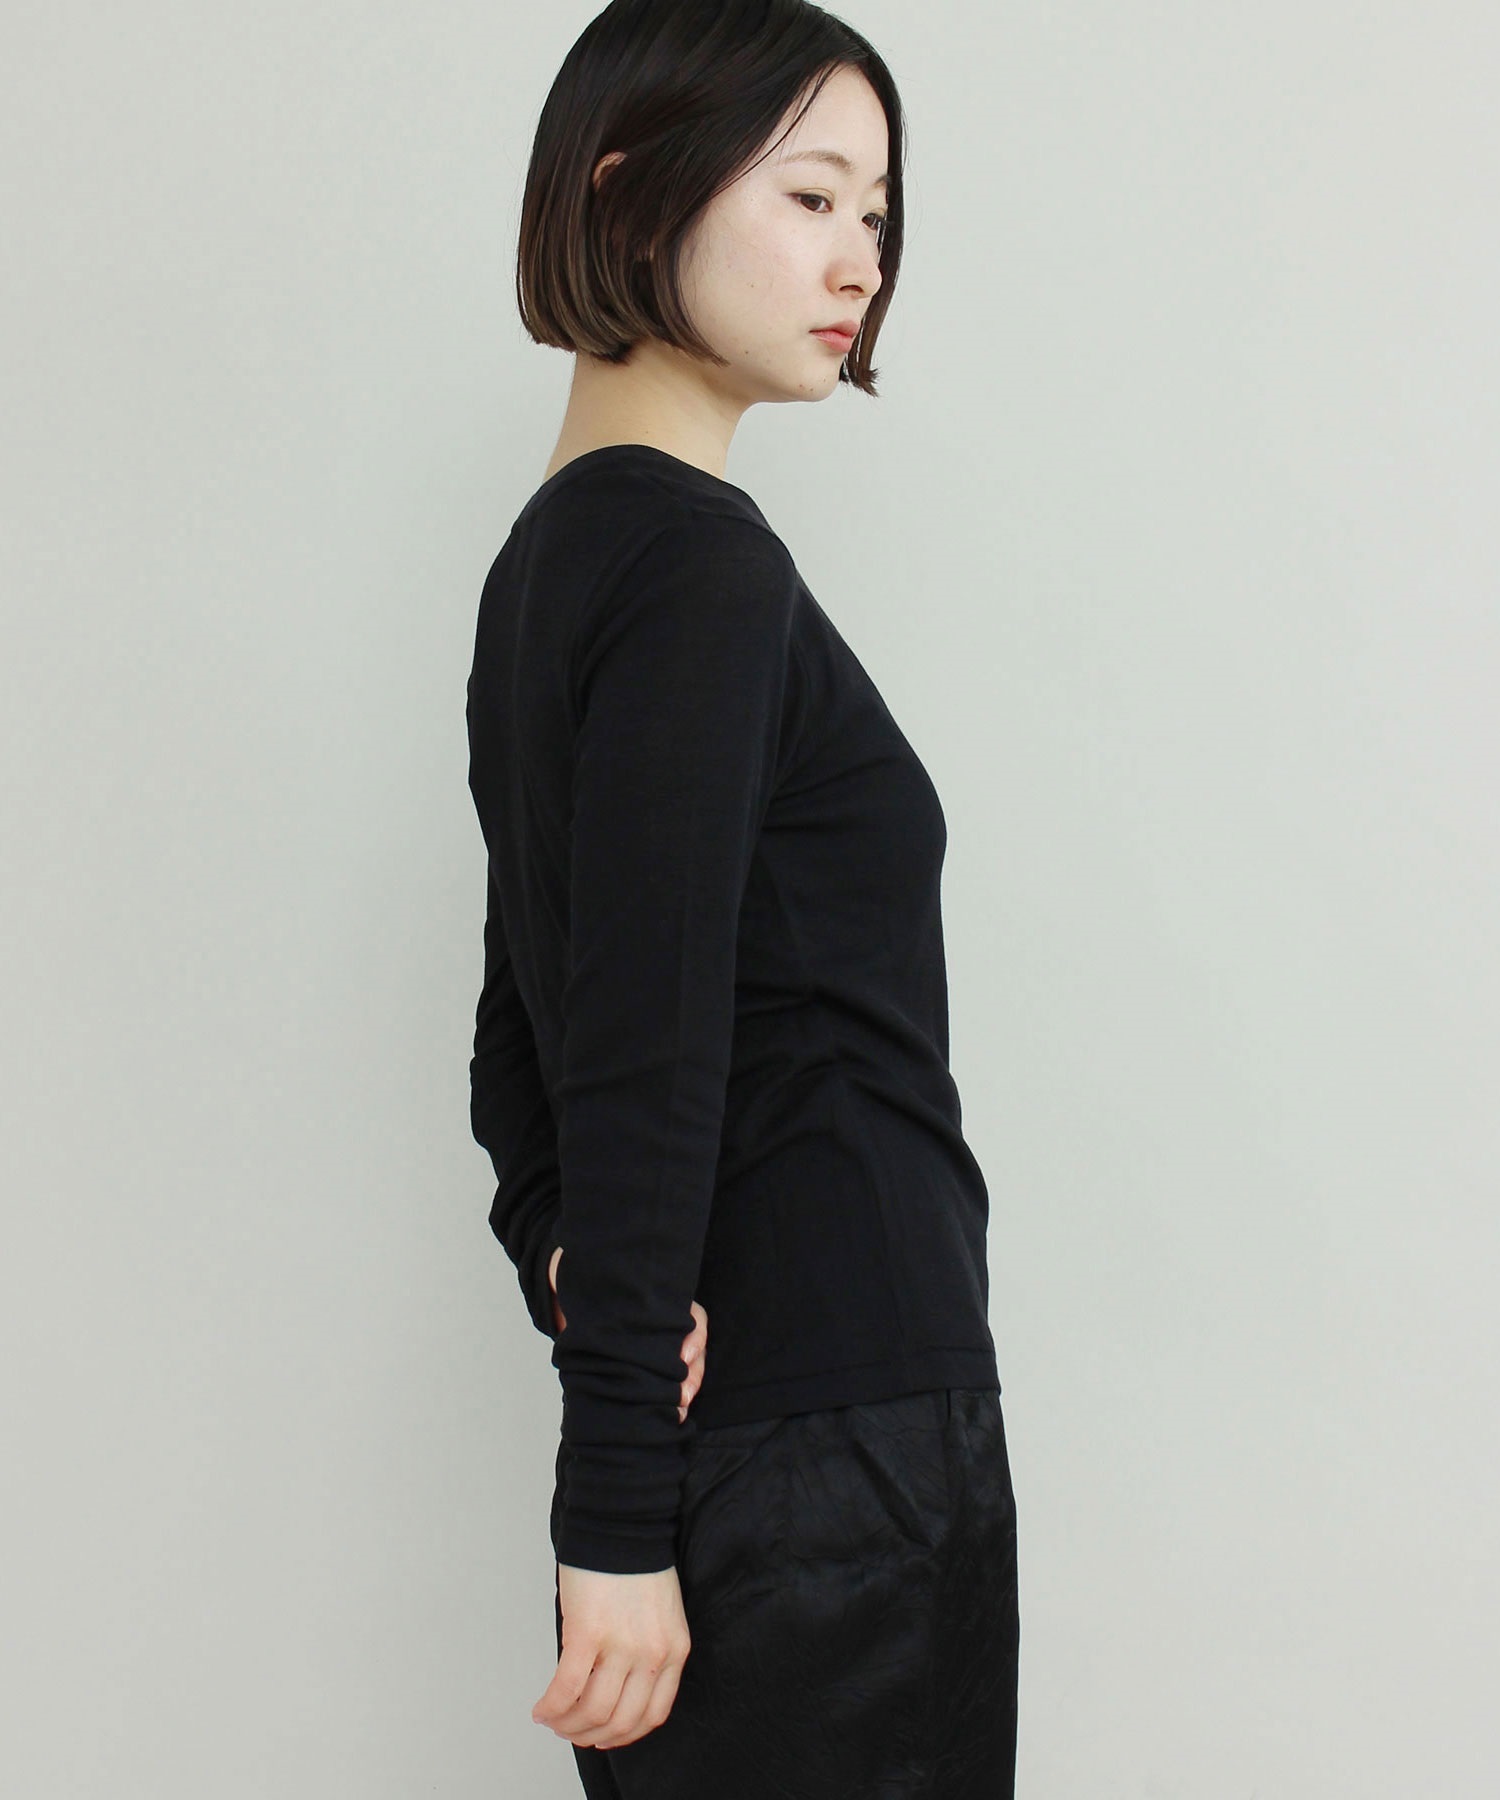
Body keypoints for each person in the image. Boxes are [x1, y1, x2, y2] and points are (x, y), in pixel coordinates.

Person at [465, 2, 1020, 1793]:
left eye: (879, 211)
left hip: (770, 1447)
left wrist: (565, 1257)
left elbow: (520, 1024)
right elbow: (634, 1042)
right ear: (628, 187)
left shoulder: (552, 561)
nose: (861, 258)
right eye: (810, 195)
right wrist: (614, 1506)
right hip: (835, 1450)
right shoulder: (696, 567)